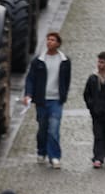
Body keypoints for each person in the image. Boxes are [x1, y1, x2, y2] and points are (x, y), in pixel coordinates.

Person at [23, 31, 71, 169]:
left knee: (54, 129)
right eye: (48, 39)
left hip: (56, 100)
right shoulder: (39, 61)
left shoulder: (64, 61)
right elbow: (30, 79)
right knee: (43, 128)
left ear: (58, 43)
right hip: (42, 100)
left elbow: (66, 79)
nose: (49, 42)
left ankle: (54, 156)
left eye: (53, 40)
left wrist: (63, 94)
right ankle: (42, 151)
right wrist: (28, 94)